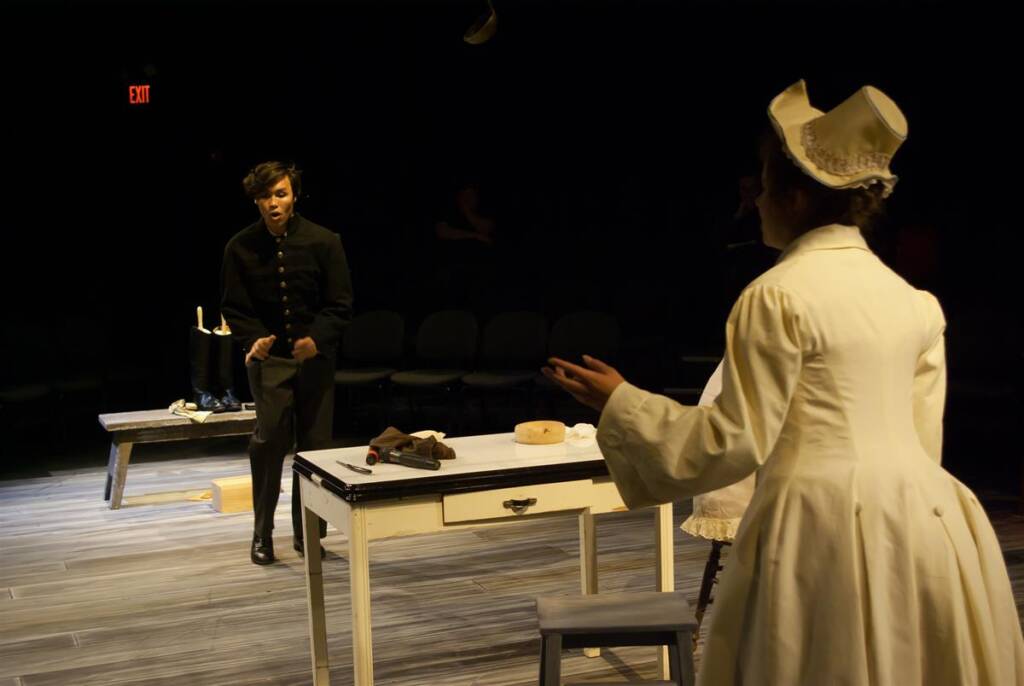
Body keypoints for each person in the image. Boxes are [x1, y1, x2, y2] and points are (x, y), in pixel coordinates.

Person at [544, 80, 1024, 684]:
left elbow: (731, 441)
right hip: (923, 517)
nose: (759, 199)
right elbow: (923, 436)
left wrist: (623, 402)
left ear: (796, 200)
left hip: (817, 524)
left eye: (767, 185)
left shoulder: (776, 295)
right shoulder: (915, 302)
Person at [221, 161, 353, 565]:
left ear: (294, 195)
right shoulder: (240, 246)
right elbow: (233, 306)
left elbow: (340, 303)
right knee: (269, 443)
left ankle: (310, 535)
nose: (273, 203)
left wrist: (318, 339)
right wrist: (252, 339)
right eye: (265, 196)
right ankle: (262, 534)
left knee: (315, 449)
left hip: (313, 359)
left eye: (280, 194)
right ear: (256, 200)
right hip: (271, 360)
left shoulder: (323, 241)